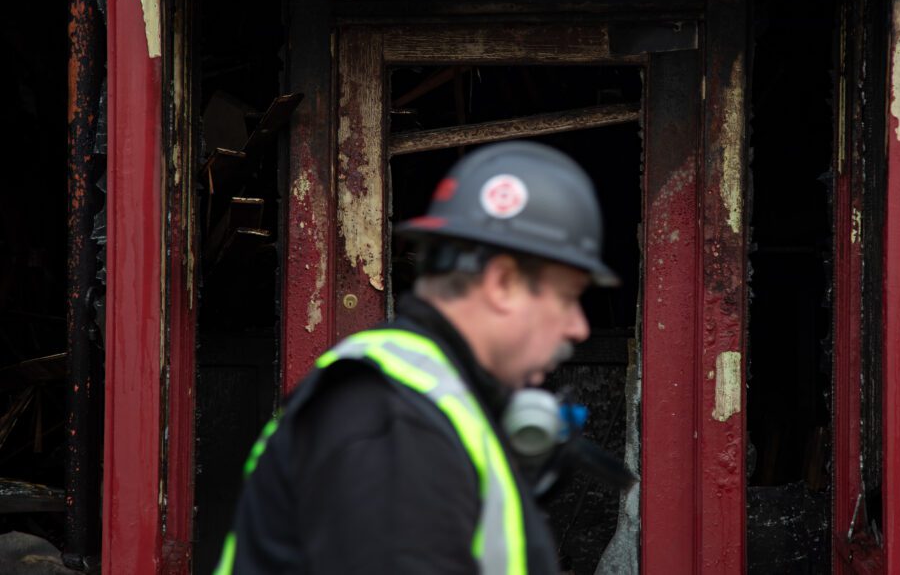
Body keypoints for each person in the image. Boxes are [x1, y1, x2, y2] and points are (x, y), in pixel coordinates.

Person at [214, 141, 618, 574]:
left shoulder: (431, 410)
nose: (578, 327)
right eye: (568, 297)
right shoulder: (395, 427)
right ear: (503, 282)